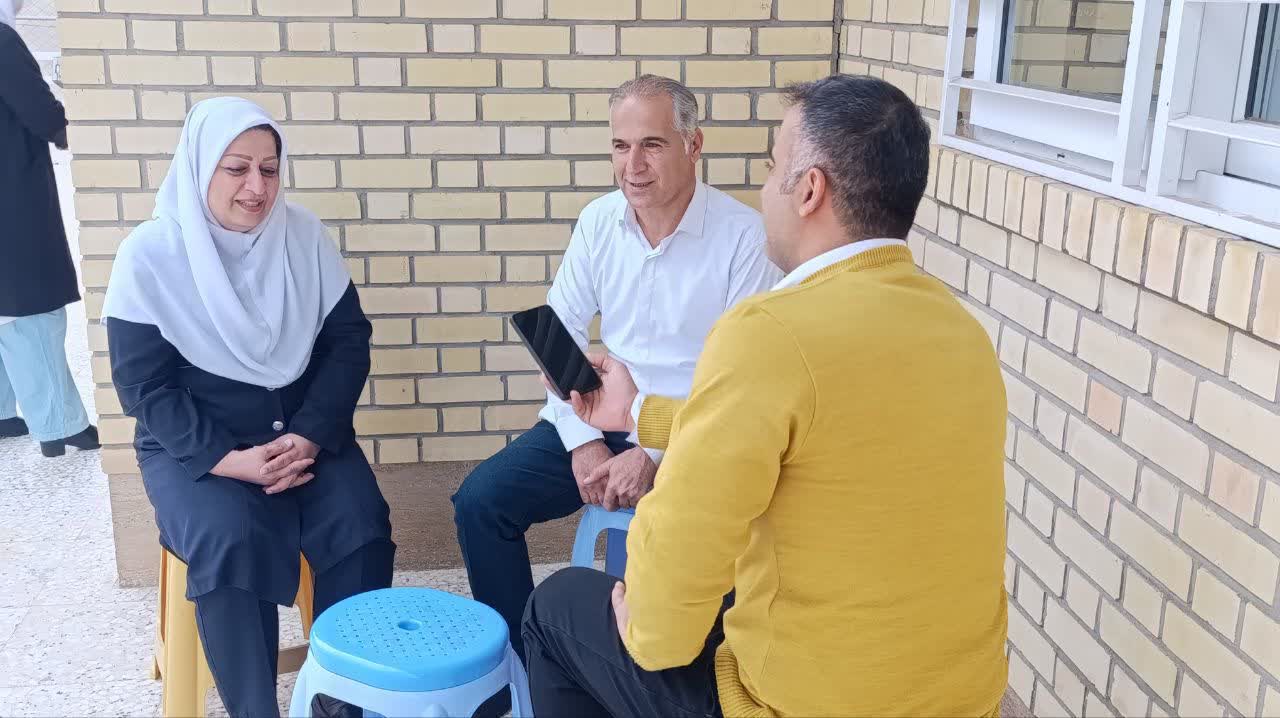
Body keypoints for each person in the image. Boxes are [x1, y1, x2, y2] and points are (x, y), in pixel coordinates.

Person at [522, 74, 1010, 717]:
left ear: (810, 191)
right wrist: (639, 411)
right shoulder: (962, 333)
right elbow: (815, 428)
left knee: (556, 608)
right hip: (962, 698)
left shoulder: (770, 332)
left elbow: (663, 627)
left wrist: (636, 614)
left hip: (801, 704)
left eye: (774, 166)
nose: (763, 187)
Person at [451, 74, 780, 669]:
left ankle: (668, 674)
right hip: (601, 414)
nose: (633, 166)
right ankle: (531, 666)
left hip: (691, 431)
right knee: (481, 502)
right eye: (620, 146)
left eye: (652, 144)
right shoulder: (599, 221)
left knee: (680, 554)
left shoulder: (744, 238)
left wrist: (651, 454)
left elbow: (741, 382)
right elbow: (560, 339)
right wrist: (583, 443)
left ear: (693, 145)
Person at [103, 97, 395, 718]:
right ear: (199, 167)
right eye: (236, 168)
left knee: (360, 523)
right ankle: (255, 709)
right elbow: (144, 386)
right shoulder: (149, 255)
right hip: (197, 444)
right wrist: (226, 460)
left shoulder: (303, 236)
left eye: (269, 168)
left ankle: (344, 702)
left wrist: (311, 433)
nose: (256, 187)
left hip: (302, 434)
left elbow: (348, 341)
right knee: (230, 538)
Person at [0, 0, 100, 457]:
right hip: (11, 200)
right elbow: (39, 111)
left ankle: (5, 414)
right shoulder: (1, 41)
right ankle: (60, 426)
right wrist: (79, 128)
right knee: (30, 312)